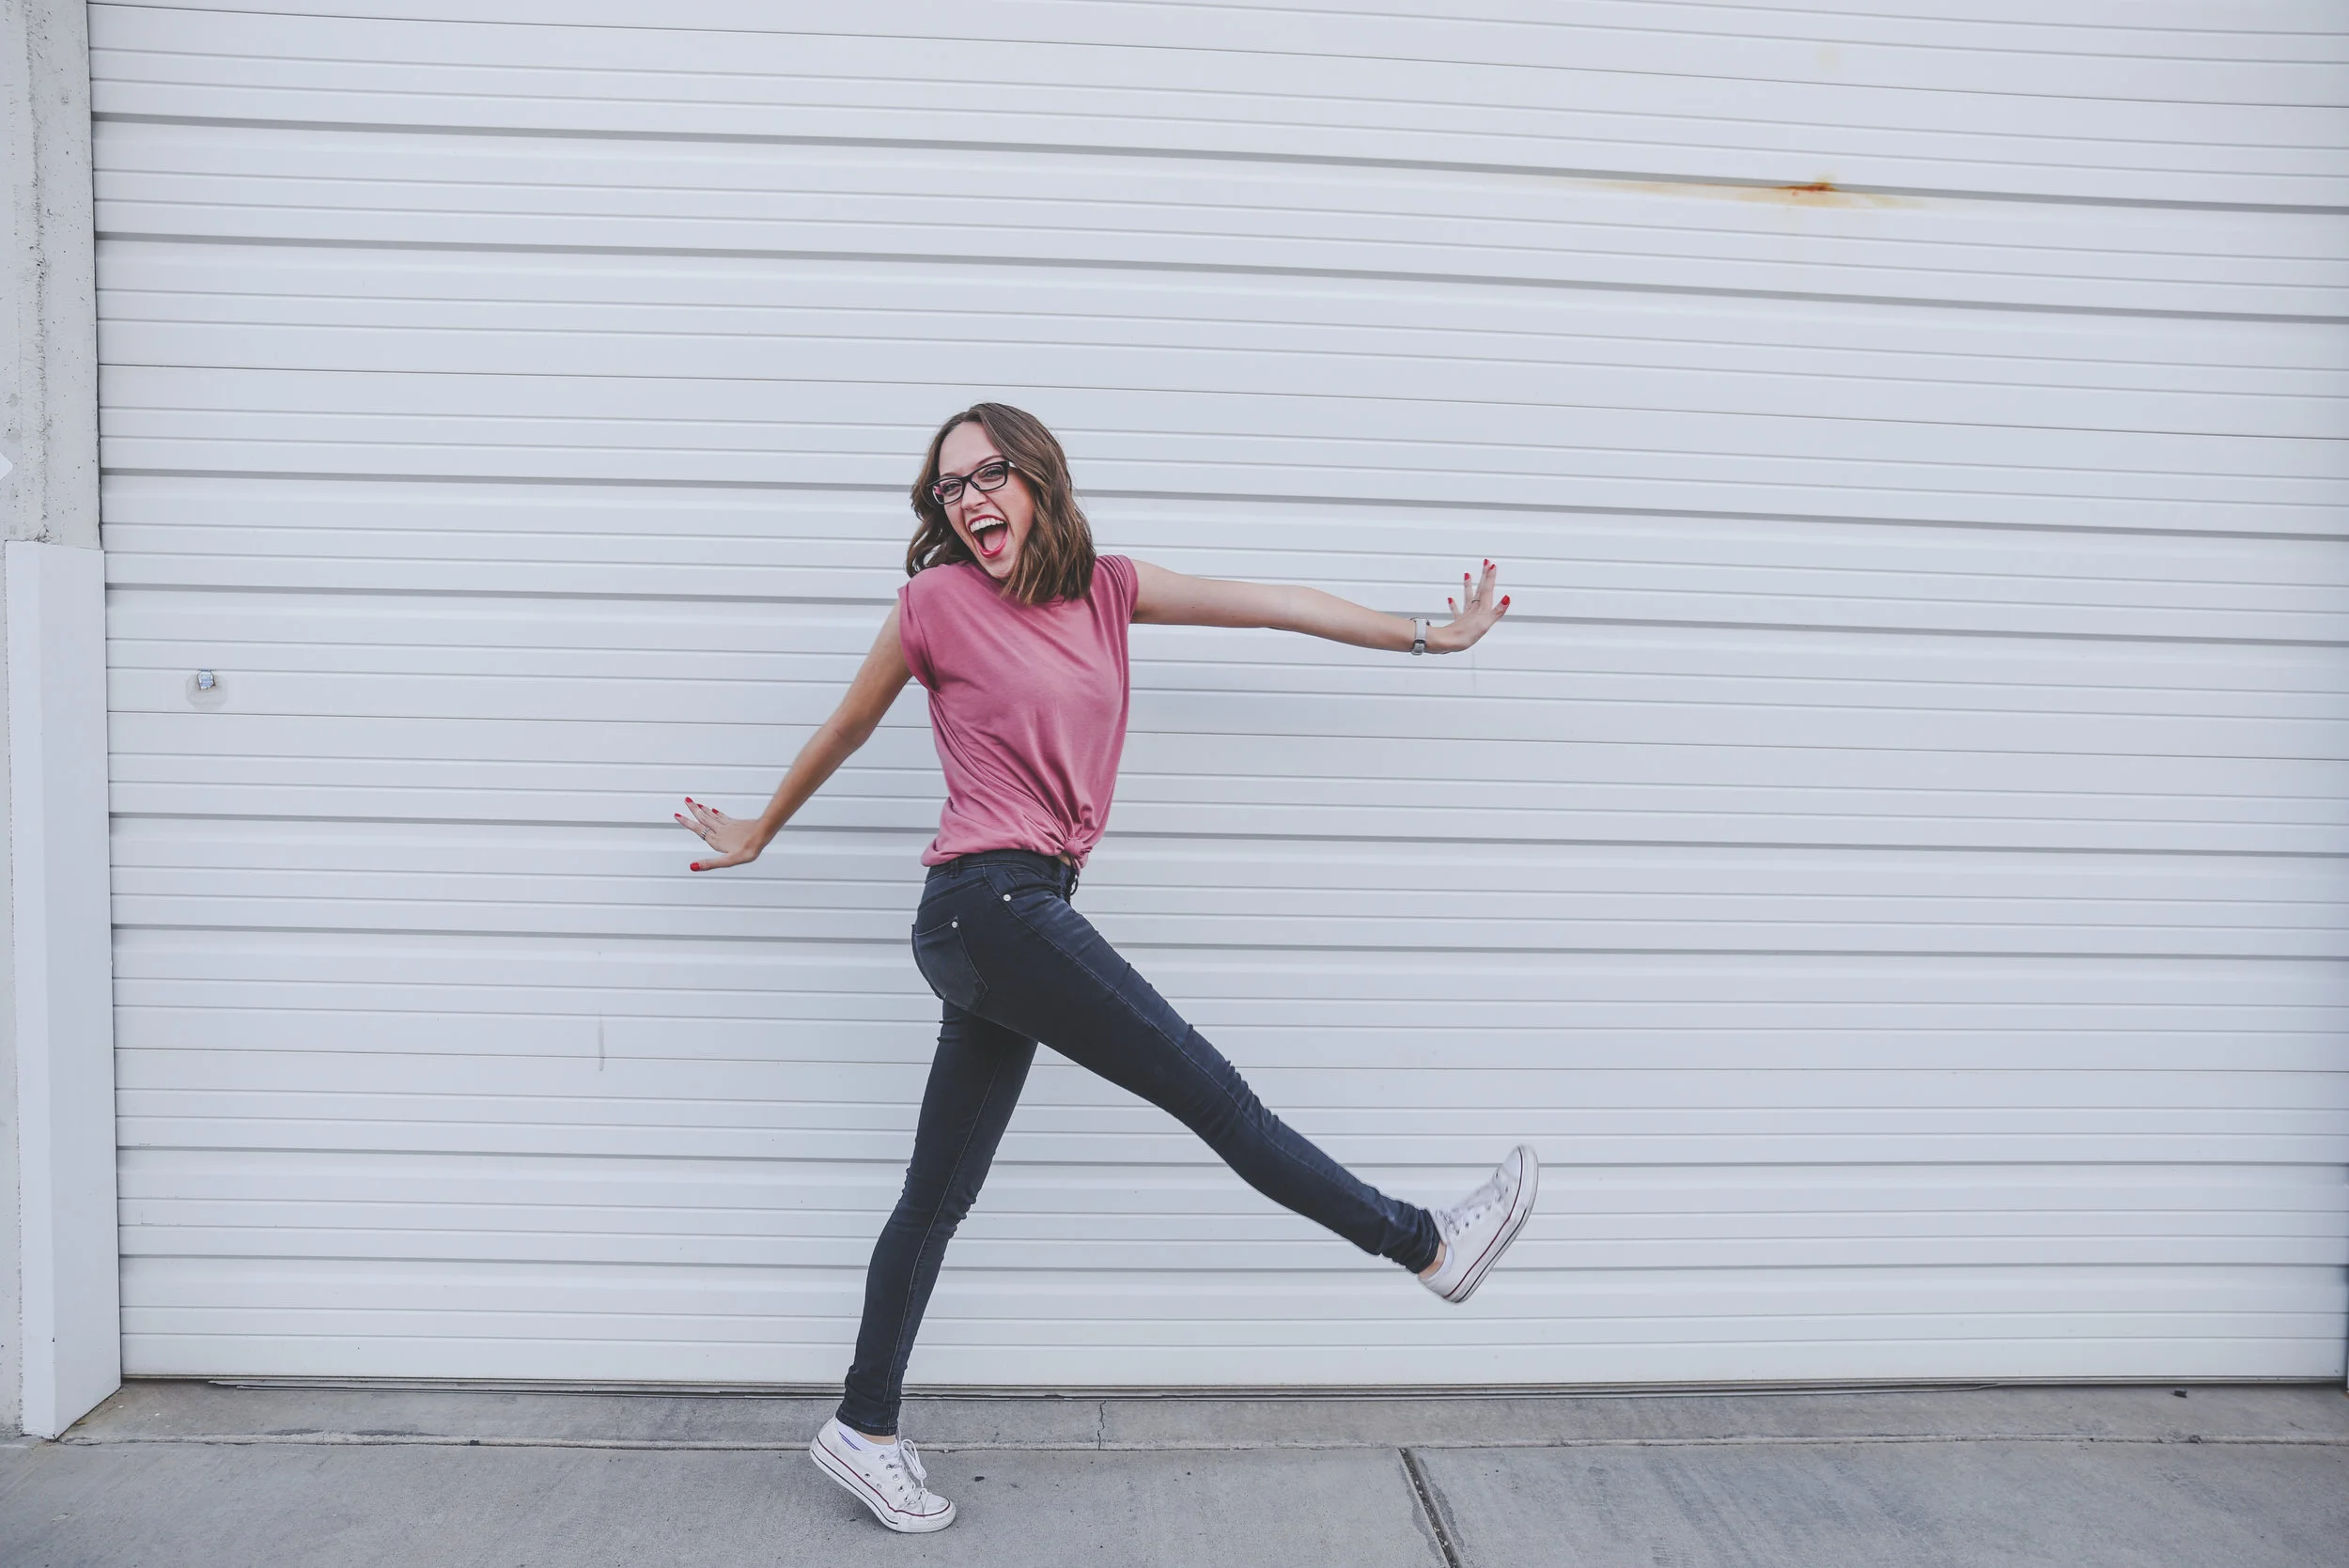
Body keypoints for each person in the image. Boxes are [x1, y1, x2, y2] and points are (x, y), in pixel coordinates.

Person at [676, 403, 1537, 1533]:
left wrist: (1431, 635)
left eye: (988, 473)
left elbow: (1274, 604)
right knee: (1219, 1100)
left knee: (935, 1195)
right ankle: (1427, 1244)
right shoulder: (934, 602)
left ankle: (862, 1427)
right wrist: (762, 828)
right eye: (948, 487)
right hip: (990, 905)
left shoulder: (1109, 589)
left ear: (1038, 476)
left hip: (1003, 920)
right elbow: (846, 726)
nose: (968, 499)